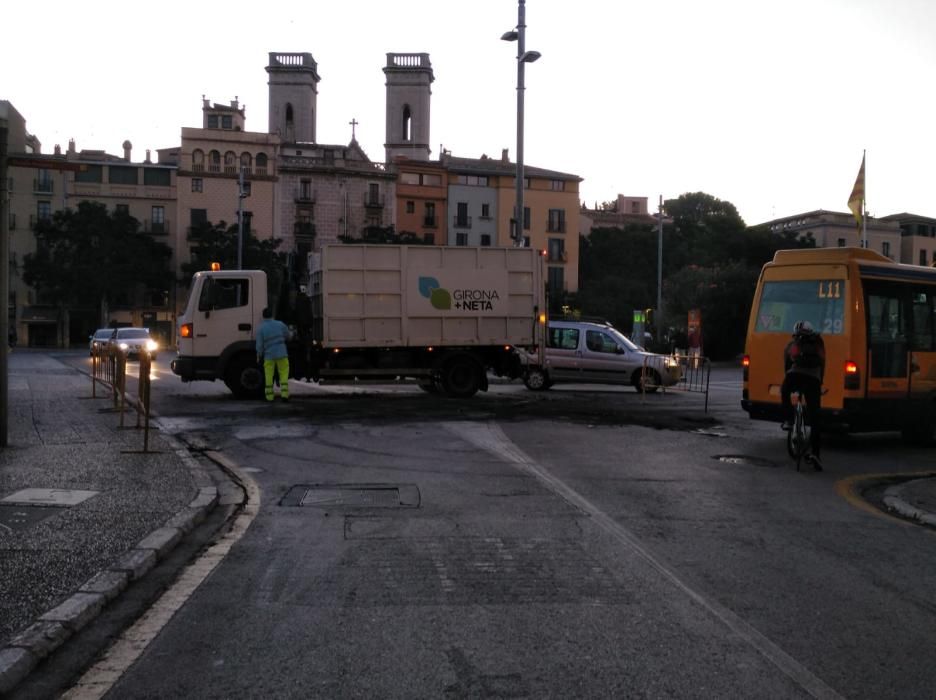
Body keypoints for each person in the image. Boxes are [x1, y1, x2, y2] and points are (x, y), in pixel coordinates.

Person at [781, 320, 826, 470]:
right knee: (815, 419)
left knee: (784, 390)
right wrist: (820, 382)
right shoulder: (818, 343)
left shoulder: (793, 343)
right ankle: (816, 455)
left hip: (795, 376)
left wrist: (788, 377)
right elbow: (822, 363)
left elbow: (787, 362)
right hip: (813, 380)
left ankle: (788, 419)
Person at [255, 307, 291, 402]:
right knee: (283, 373)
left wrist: (259, 356)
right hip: (282, 354)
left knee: (269, 375)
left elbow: (259, 345)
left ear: (263, 316)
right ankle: (284, 395)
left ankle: (269, 397)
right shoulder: (280, 324)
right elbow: (288, 336)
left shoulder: (261, 328)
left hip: (269, 356)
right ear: (272, 315)